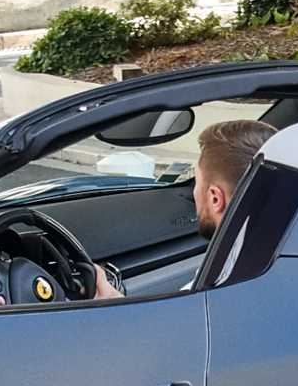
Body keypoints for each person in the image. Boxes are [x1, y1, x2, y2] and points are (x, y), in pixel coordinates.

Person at [90, 116, 276, 298]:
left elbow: (171, 328)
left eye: (197, 182)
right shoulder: (278, 261)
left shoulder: (213, 291)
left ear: (215, 199)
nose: (194, 193)